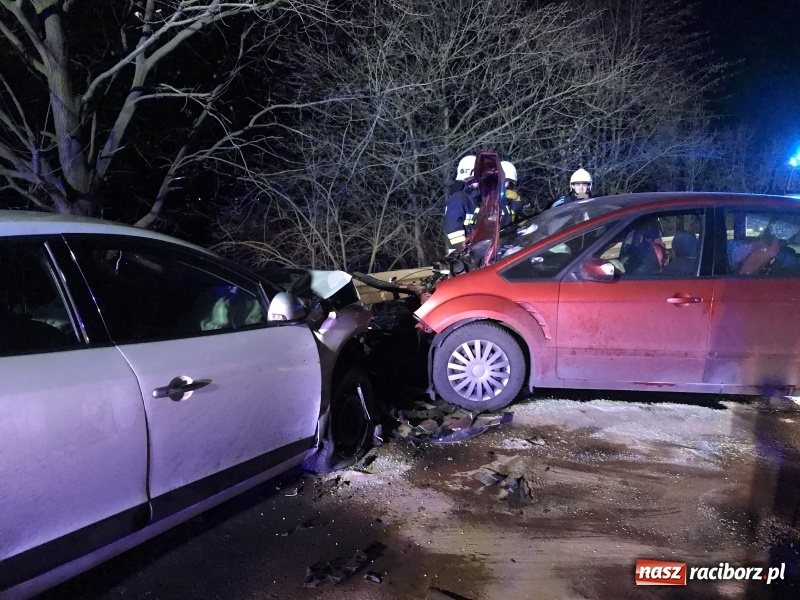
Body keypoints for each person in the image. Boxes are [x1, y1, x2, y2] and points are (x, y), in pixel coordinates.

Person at [443, 155, 480, 252]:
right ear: (468, 172)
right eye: (477, 173)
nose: (479, 178)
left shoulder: (472, 197)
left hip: (472, 251)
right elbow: (452, 226)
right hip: (461, 255)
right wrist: (461, 248)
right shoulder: (458, 198)